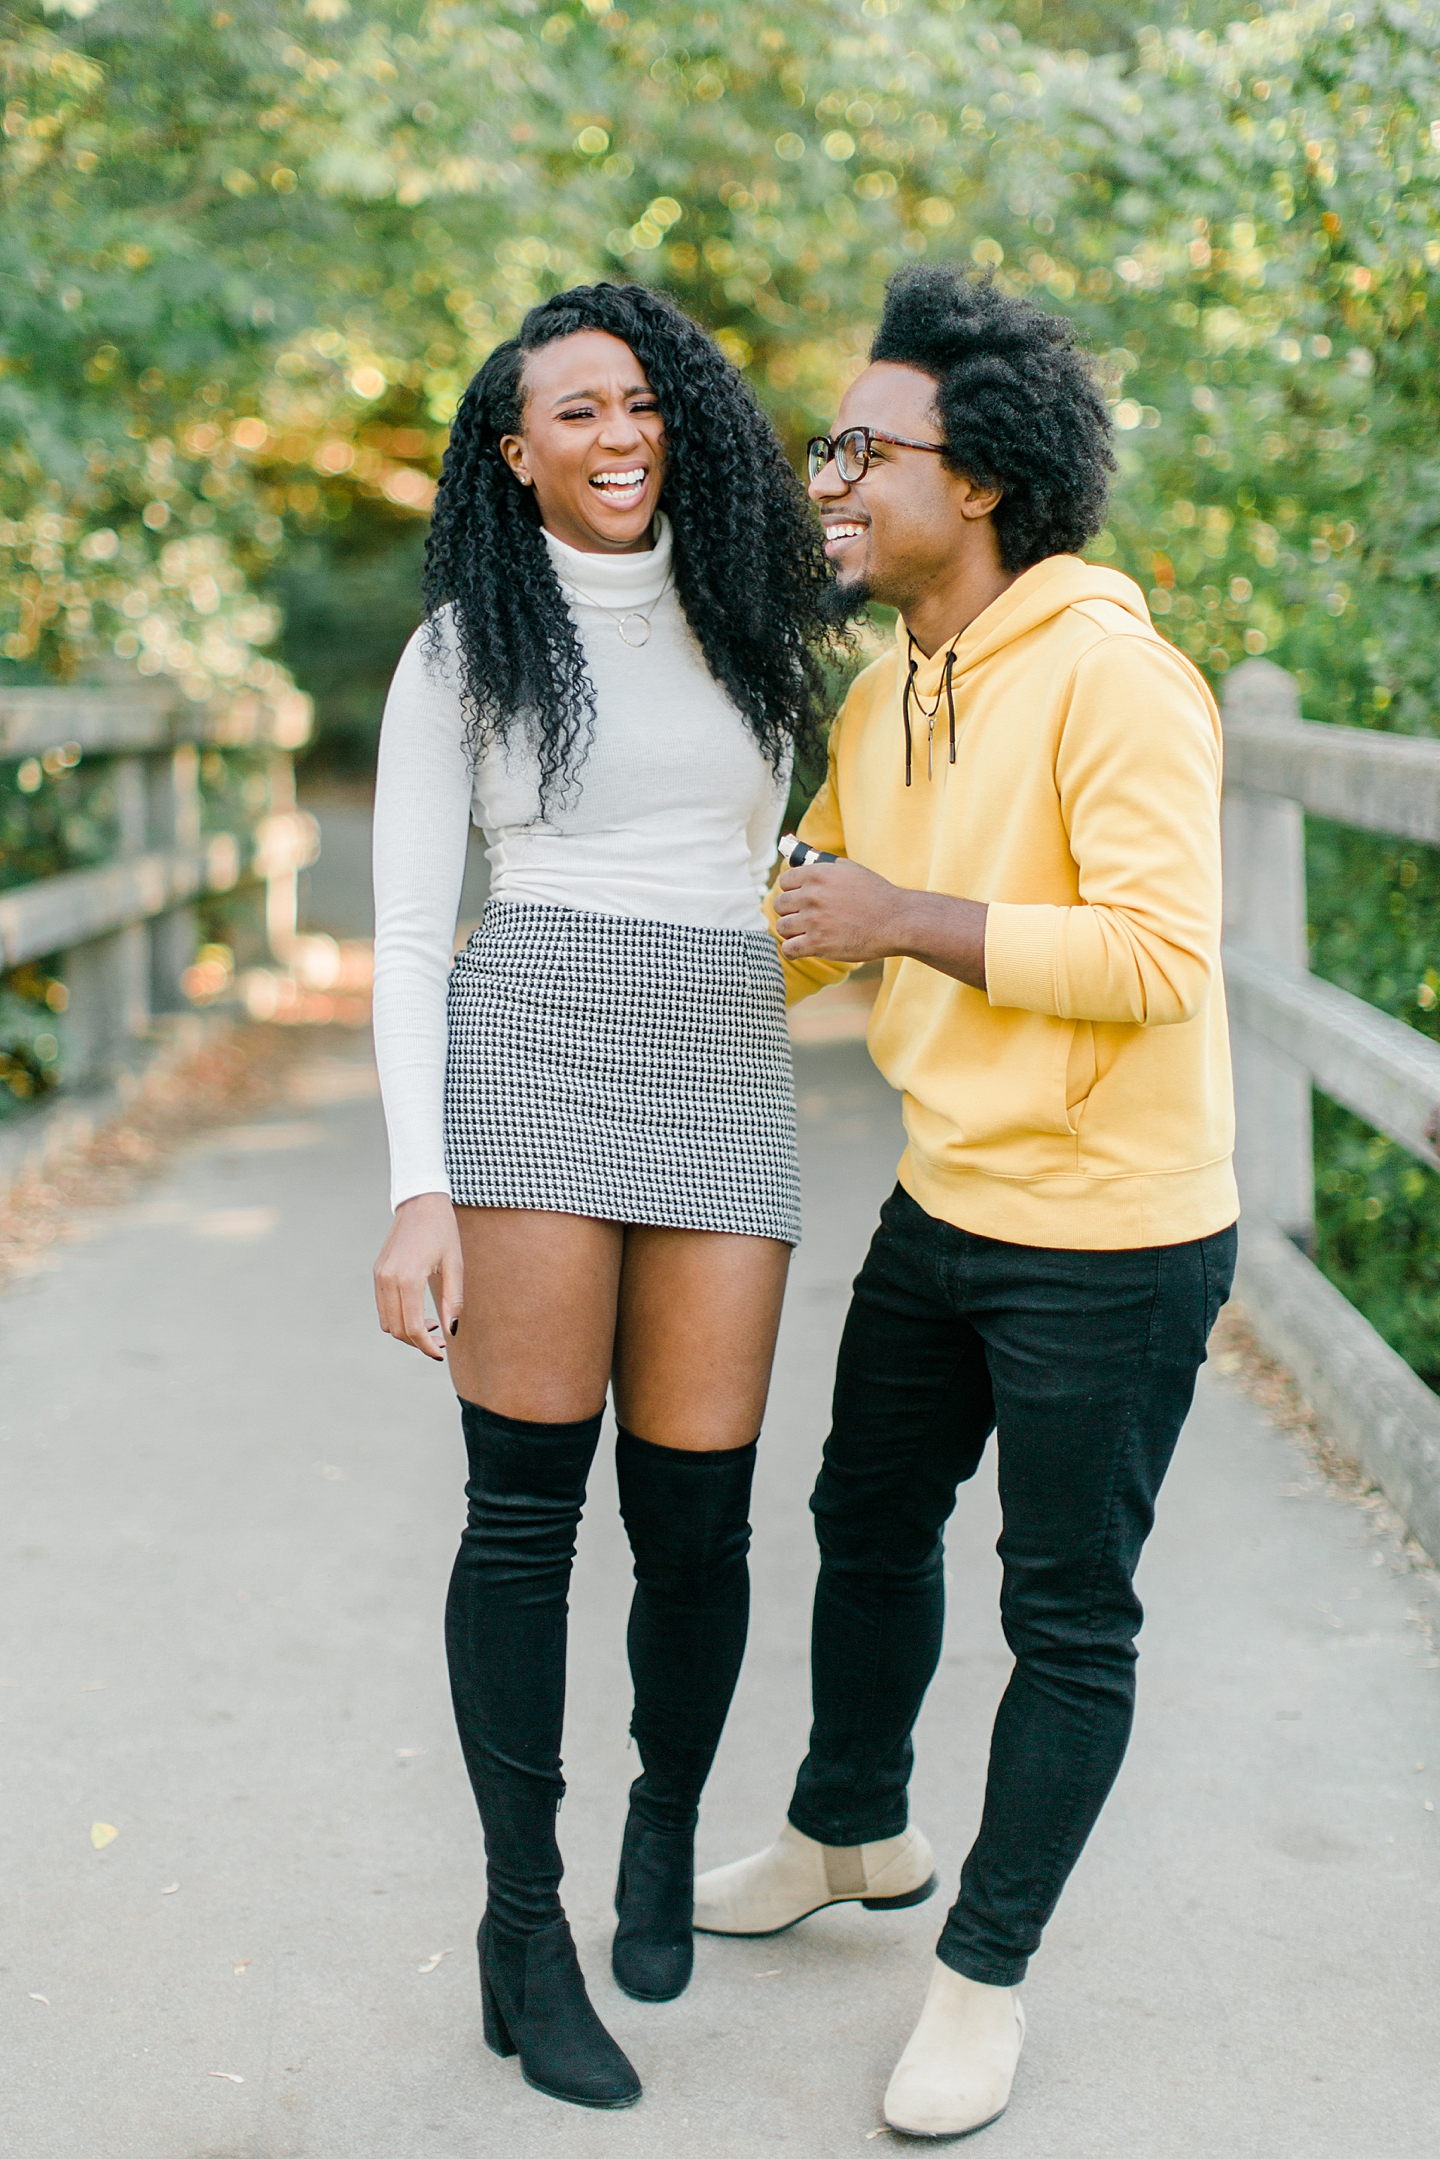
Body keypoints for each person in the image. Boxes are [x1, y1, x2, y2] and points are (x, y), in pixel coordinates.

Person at [693, 266, 1238, 2139]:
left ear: (980, 478)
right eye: (827, 443)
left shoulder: (1115, 676)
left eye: (863, 445)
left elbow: (1162, 957)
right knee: (864, 1517)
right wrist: (611, 983)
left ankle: (983, 1979)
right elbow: (814, 931)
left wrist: (903, 919)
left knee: (1067, 1614)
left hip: (1117, 1222)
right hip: (952, 1194)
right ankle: (853, 1831)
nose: (828, 475)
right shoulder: (889, 686)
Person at [369, 282, 832, 2112]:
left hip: (723, 1052)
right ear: (516, 451)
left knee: (701, 1519)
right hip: (538, 1038)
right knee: (528, 1522)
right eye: (573, 412)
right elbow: (412, 938)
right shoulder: (466, 644)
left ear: (680, 421)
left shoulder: (753, 619)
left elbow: (757, 855)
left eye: (638, 402)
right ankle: (521, 1924)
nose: (617, 435)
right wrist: (423, 1190)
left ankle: (663, 1828)